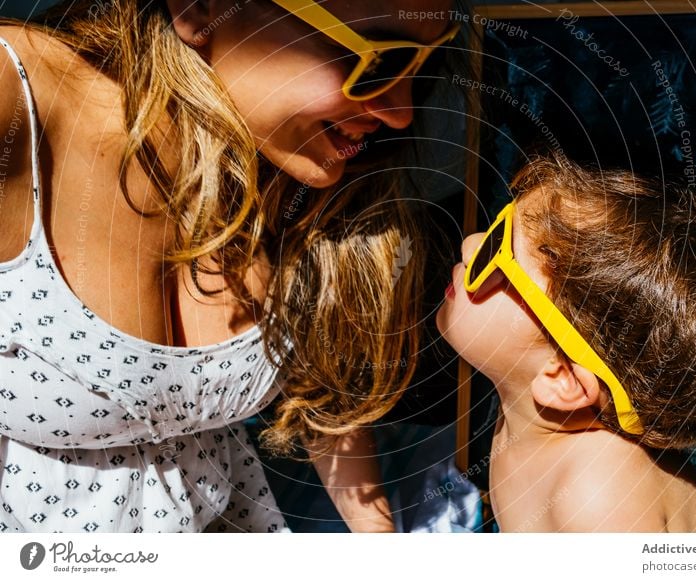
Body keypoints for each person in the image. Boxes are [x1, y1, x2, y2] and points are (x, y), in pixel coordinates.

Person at [0, 0, 460, 533]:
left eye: (423, 65)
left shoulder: (280, 161)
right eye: (379, 59)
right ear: (201, 10)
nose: (401, 111)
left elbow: (314, 392)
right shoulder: (20, 99)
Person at [437, 155, 696, 532]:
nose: (469, 243)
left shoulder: (599, 495)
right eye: (500, 222)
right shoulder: (523, 417)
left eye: (494, 253)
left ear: (563, 378)